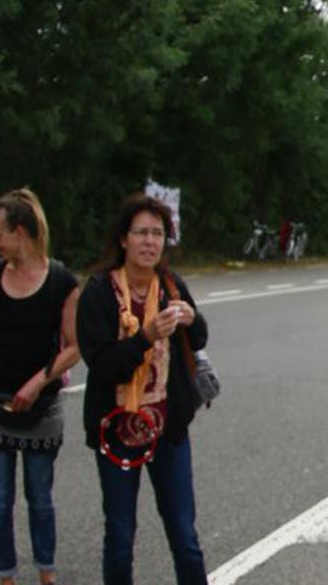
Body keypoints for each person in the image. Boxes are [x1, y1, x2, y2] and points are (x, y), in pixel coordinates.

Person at [76, 194, 209, 585]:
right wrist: (145, 337)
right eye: (141, 233)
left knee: (184, 535)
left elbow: (198, 340)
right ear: (123, 240)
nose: (150, 242)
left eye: (158, 234)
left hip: (168, 429)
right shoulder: (99, 292)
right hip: (116, 431)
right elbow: (101, 366)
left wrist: (191, 317)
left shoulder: (170, 284)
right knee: (120, 535)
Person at [0, 190, 80, 585]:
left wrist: (37, 381)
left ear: (20, 232)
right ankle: (6, 575)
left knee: (39, 499)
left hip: (41, 409)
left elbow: (75, 346)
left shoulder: (61, 281)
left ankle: (46, 573)